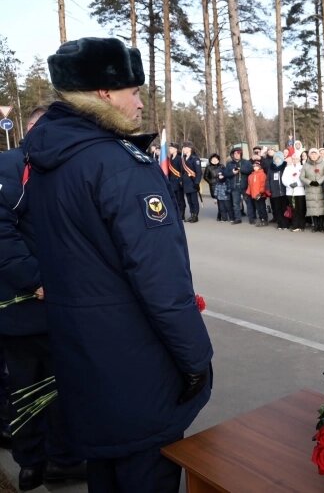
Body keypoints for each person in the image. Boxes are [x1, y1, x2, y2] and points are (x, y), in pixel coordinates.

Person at [22, 37, 212, 492]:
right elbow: (161, 283)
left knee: (106, 474)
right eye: (134, 91)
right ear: (104, 93)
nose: (141, 103)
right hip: (136, 368)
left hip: (83, 361)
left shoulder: (46, 161)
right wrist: (195, 359)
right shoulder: (119, 165)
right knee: (146, 473)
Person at [0, 108, 86, 490]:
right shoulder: (12, 165)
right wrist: (35, 281)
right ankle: (32, 462)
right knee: (25, 389)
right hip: (24, 304)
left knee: (61, 389)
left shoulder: (56, 168)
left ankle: (60, 460)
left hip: (57, 307)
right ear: (34, 129)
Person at [301, 148, 324, 232]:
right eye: (312, 154)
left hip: (320, 188)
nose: (313, 156)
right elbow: (302, 177)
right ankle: (315, 226)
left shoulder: (323, 164)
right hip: (310, 189)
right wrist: (310, 182)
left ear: (318, 155)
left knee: (321, 208)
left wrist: (319, 182)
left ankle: (321, 226)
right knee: (312, 208)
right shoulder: (306, 164)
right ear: (309, 155)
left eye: (315, 154)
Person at [225, 146, 253, 224]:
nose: (237, 155)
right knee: (236, 204)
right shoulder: (230, 164)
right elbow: (226, 174)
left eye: (238, 153)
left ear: (241, 154)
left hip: (245, 186)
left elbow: (250, 170)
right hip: (234, 186)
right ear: (232, 155)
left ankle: (251, 218)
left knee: (248, 203)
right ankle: (238, 218)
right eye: (235, 153)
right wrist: (232, 173)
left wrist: (241, 169)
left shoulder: (246, 162)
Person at [282, 152, 306, 232]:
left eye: (296, 159)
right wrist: (289, 184)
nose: (295, 160)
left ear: (299, 159)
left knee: (301, 208)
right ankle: (295, 225)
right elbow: (284, 179)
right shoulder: (287, 168)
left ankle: (302, 225)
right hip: (290, 191)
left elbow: (304, 178)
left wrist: (297, 184)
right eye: (293, 159)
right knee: (294, 209)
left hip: (300, 191)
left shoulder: (302, 167)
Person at [181, 142, 202, 223]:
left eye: (185, 147)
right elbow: (183, 172)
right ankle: (192, 214)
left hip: (192, 183)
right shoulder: (184, 158)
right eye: (183, 147)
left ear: (190, 148)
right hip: (186, 183)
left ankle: (195, 216)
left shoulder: (195, 158)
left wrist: (197, 183)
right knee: (189, 201)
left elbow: (199, 172)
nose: (184, 149)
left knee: (194, 201)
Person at [268, 152, 289, 230]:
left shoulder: (285, 166)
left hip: (284, 192)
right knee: (277, 209)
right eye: (276, 158)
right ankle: (280, 224)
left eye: (279, 158)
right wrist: (268, 189)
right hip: (275, 192)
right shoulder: (271, 168)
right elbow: (268, 179)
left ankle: (286, 224)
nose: (277, 160)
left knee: (285, 208)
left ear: (282, 159)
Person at [246, 160, 269, 226]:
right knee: (258, 208)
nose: (255, 167)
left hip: (261, 195)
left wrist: (261, 192)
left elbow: (263, 184)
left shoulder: (262, 174)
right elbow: (249, 185)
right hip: (254, 195)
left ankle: (265, 219)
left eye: (257, 166)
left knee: (262, 207)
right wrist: (248, 193)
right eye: (254, 166)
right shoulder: (250, 176)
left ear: (260, 167)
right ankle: (261, 218)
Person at [203, 154, 223, 221]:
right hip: (213, 185)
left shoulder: (222, 166)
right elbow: (205, 176)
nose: (214, 161)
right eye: (213, 159)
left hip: (222, 185)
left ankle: (221, 213)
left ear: (218, 160)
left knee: (221, 200)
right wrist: (210, 182)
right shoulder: (208, 167)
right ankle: (220, 214)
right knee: (218, 200)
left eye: (216, 159)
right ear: (210, 160)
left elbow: (225, 173)